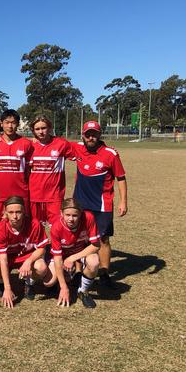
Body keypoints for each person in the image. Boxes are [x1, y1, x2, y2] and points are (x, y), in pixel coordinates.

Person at [71, 121, 128, 288]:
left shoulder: (111, 153)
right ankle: (78, 271)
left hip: (102, 205)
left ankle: (104, 273)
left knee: (103, 239)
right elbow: (51, 141)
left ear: (100, 134)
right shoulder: (78, 148)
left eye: (94, 133)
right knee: (79, 239)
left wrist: (123, 201)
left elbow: (121, 178)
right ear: (82, 135)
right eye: (87, 134)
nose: (91, 137)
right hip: (80, 203)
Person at [0, 196, 49, 309]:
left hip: (26, 255)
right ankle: (1, 284)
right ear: (5, 213)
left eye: (18, 212)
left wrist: (29, 261)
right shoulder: (0, 229)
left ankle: (29, 284)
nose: (15, 216)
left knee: (41, 267)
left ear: (24, 211)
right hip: (7, 257)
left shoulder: (34, 224)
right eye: (11, 212)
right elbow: (3, 260)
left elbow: (42, 248)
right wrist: (7, 288)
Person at [46, 198, 101, 308]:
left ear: (81, 213)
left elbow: (96, 245)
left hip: (80, 252)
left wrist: (71, 258)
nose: (71, 219)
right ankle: (61, 283)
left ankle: (83, 291)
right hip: (62, 255)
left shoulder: (88, 218)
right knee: (49, 282)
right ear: (61, 213)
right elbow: (57, 257)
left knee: (94, 262)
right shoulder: (56, 227)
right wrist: (63, 287)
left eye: (75, 215)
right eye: (67, 215)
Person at [0, 109, 33, 229]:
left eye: (13, 122)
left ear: (17, 124)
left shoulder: (26, 144)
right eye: (7, 122)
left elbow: (28, 169)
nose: (10, 126)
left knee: (21, 226)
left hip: (20, 193)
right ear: (1, 124)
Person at [27, 116, 74, 227]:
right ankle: (39, 245)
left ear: (50, 128)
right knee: (36, 227)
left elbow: (81, 152)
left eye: (44, 128)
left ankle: (56, 245)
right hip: (34, 195)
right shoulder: (29, 145)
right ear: (33, 131)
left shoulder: (61, 144)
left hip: (54, 196)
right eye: (37, 129)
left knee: (57, 226)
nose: (41, 131)